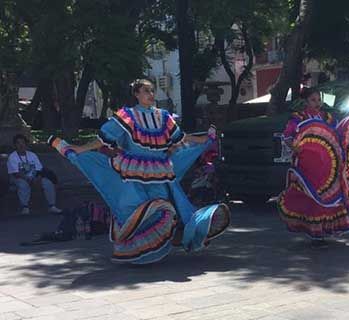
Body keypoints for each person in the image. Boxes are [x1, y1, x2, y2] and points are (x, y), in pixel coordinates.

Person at [49, 79, 230, 264]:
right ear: (136, 94)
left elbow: (180, 138)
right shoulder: (127, 116)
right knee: (138, 209)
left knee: (165, 207)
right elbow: (104, 139)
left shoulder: (164, 117)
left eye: (152, 91)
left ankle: (164, 243)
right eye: (146, 91)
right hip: (133, 173)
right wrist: (79, 149)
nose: (151, 95)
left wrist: (204, 141)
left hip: (160, 172)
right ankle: (142, 249)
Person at [278, 87, 349, 246]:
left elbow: (338, 134)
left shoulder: (327, 117)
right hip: (308, 165)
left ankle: (327, 229)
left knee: (330, 194)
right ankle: (316, 231)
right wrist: (296, 147)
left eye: (318, 100)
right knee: (314, 195)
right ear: (305, 102)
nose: (317, 103)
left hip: (328, 166)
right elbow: (288, 137)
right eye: (313, 100)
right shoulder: (298, 118)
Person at [7, 134, 62, 215]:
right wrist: (28, 179)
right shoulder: (12, 156)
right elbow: (16, 173)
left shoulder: (32, 155)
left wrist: (38, 178)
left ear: (26, 144)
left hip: (34, 177)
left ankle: (52, 206)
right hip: (18, 177)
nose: (21, 145)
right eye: (18, 143)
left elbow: (39, 169)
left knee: (47, 182)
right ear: (15, 145)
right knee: (23, 184)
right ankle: (24, 207)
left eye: (23, 142)